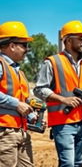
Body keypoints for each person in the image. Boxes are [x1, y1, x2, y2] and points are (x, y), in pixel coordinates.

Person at [33, 20, 82, 167]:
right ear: (68, 40)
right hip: (63, 123)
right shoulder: (52, 62)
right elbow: (39, 89)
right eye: (81, 39)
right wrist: (63, 99)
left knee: (78, 163)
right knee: (68, 164)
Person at [0, 21, 36, 166]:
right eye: (24, 45)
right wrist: (16, 104)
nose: (27, 49)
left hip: (21, 130)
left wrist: (31, 115)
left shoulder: (18, 71)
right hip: (4, 131)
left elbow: (23, 99)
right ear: (12, 46)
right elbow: (17, 102)